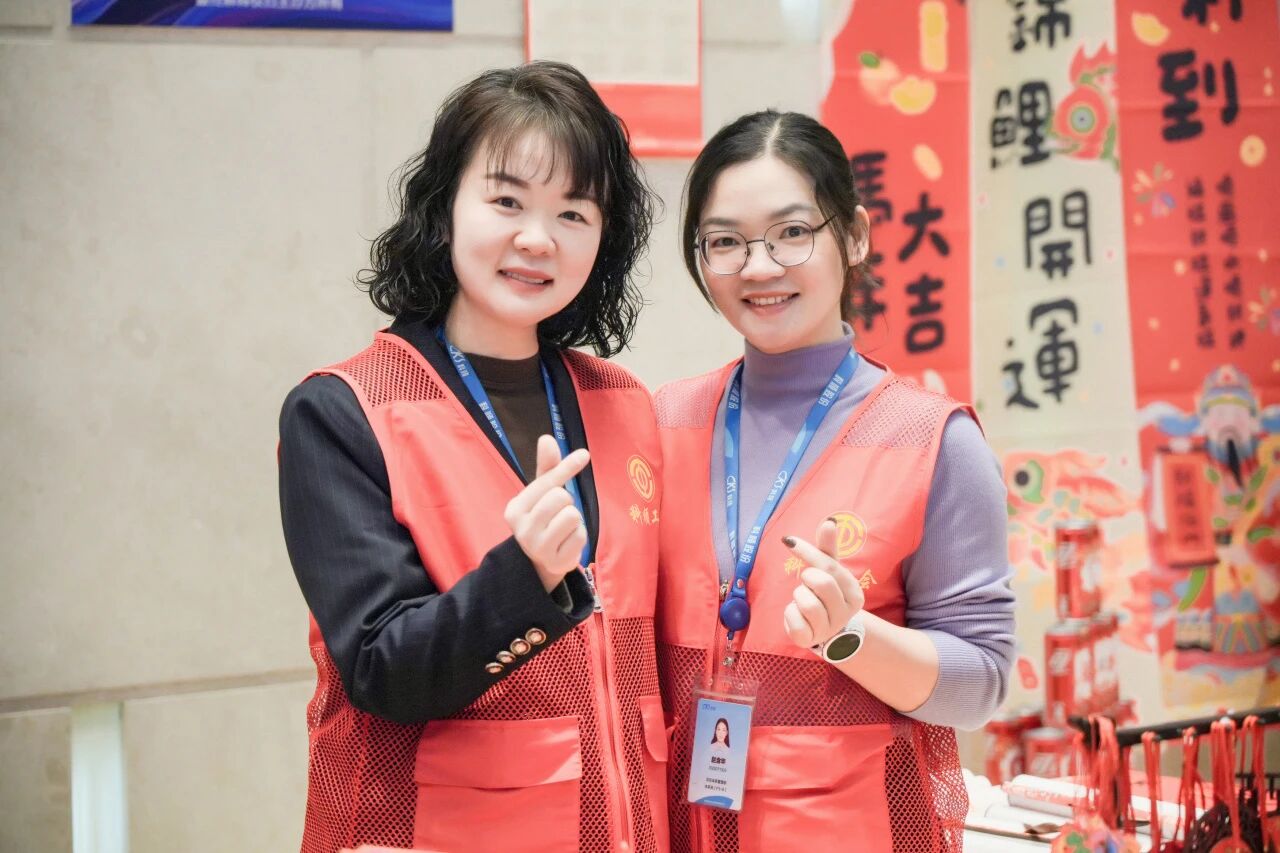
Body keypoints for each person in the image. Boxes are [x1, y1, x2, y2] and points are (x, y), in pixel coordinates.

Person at [278, 61, 669, 853]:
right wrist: (523, 576)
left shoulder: (624, 402)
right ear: (445, 207)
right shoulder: (344, 410)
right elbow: (382, 670)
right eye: (507, 201)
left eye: (573, 212)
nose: (538, 238)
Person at [654, 110, 1015, 851]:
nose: (759, 267)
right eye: (724, 241)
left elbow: (981, 683)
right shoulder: (663, 421)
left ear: (853, 235)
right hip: (677, 827)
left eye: (792, 232)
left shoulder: (934, 440)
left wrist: (851, 638)